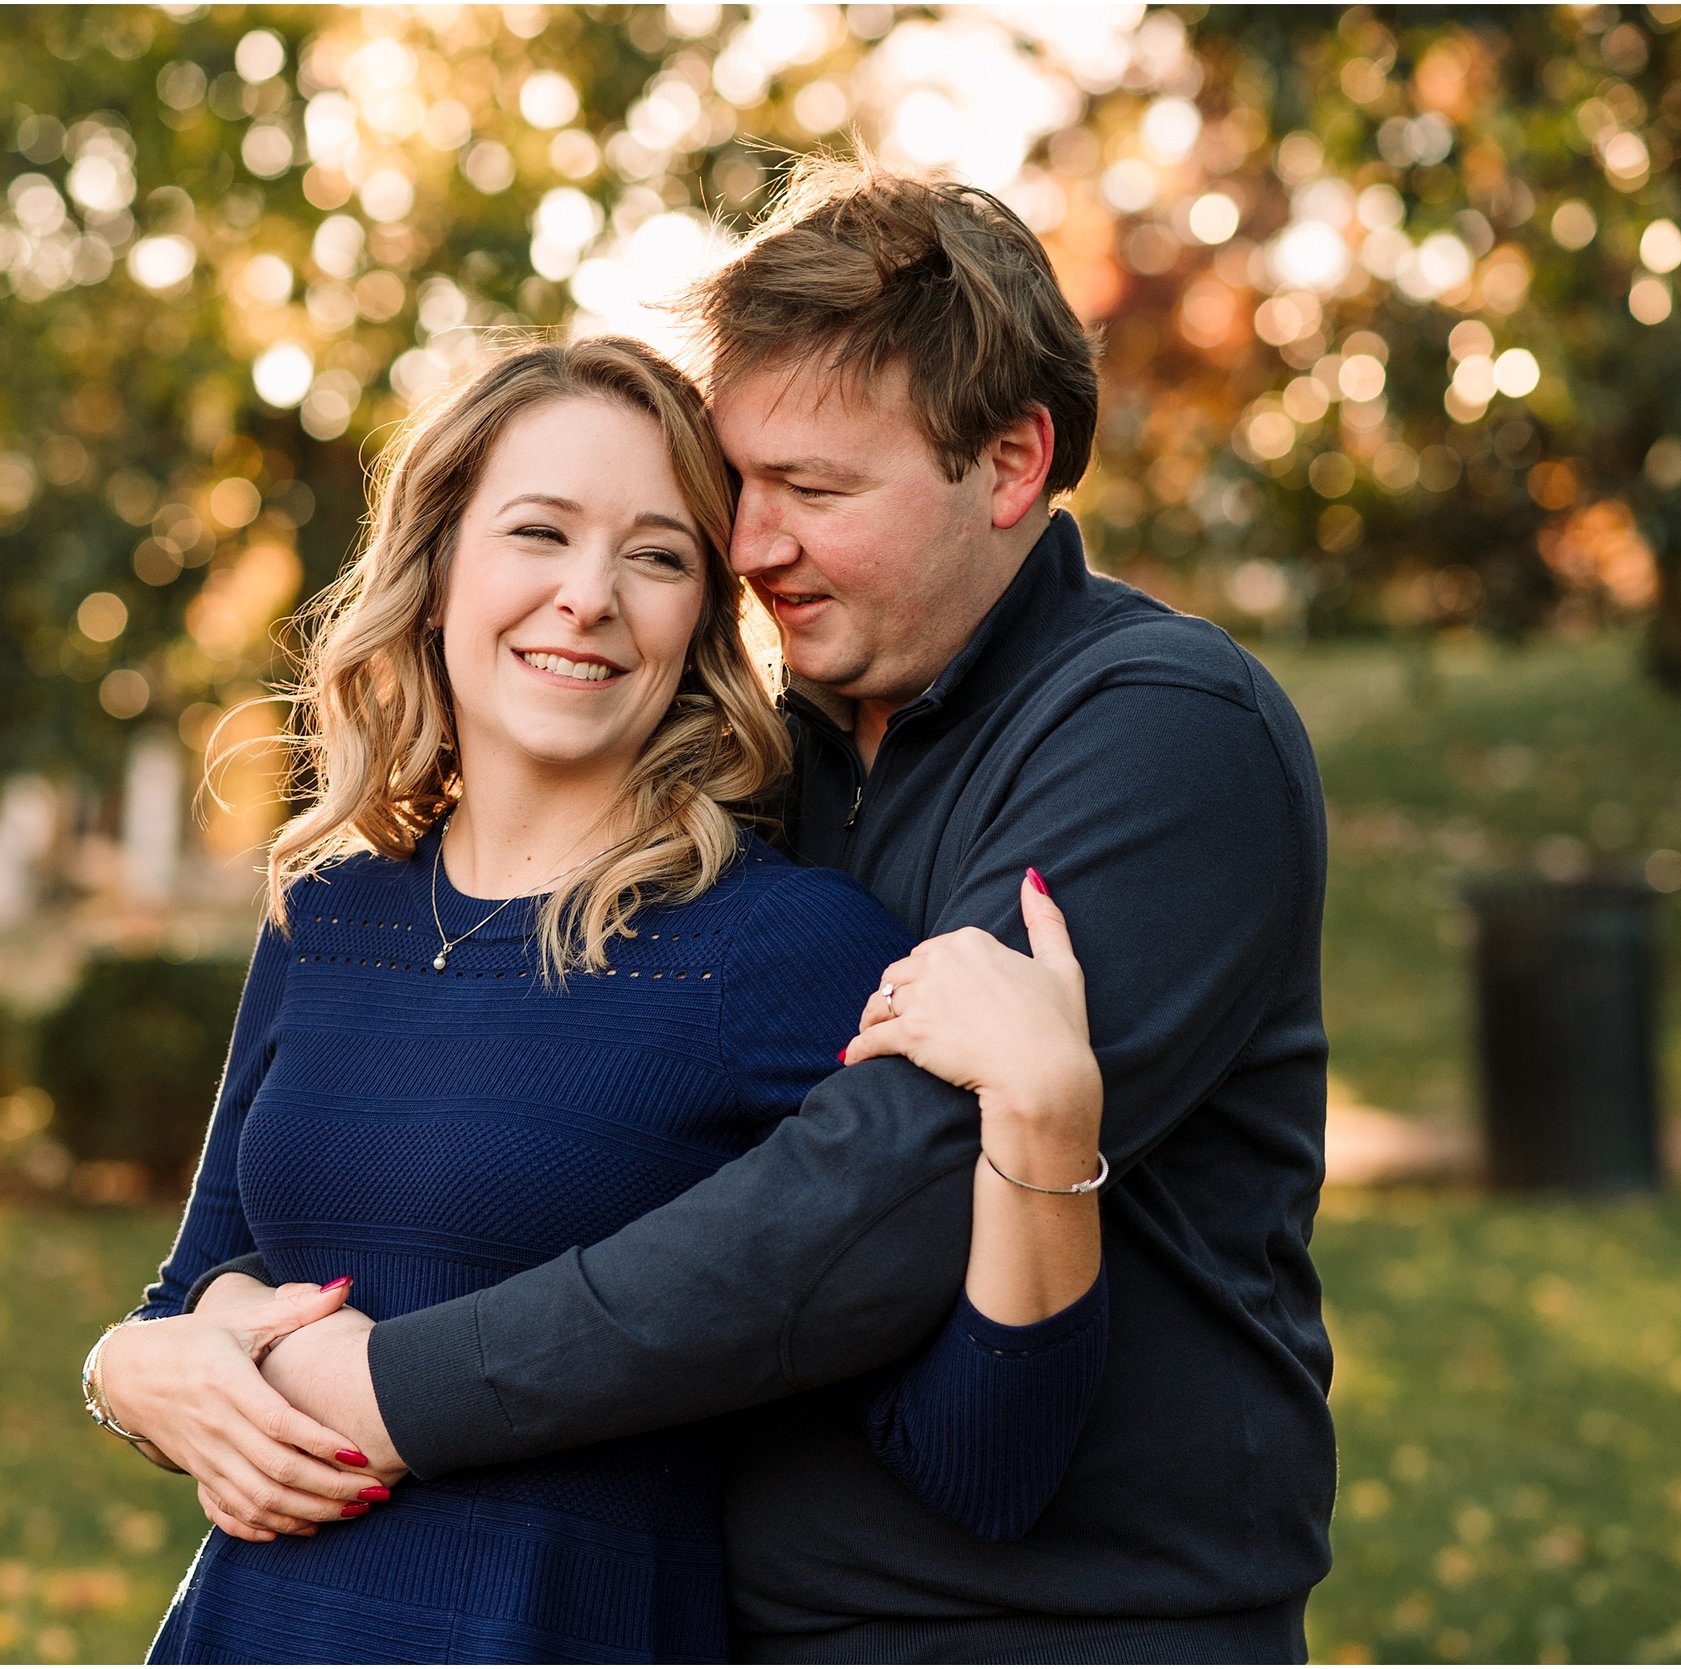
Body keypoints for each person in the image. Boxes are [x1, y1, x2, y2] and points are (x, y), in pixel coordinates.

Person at [170, 160, 1337, 1664]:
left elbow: (877, 1194)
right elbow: (223, 1254)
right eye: (742, 487)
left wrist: (390, 1391)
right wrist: (140, 1358)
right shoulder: (768, 782)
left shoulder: (1161, 737)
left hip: (1061, 1624)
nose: (752, 544)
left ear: (1010, 464)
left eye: (816, 491)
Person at [83, 336, 1117, 1663]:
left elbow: (985, 1463)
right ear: (442, 556)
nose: (588, 596)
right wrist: (127, 1368)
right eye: (541, 532)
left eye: (658, 553)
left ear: (702, 616)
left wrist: (1048, 1124)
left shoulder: (779, 948)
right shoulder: (326, 912)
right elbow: (190, 1290)